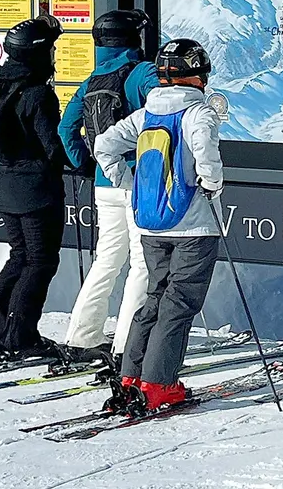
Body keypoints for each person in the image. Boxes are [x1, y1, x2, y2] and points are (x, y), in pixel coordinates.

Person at [92, 37, 225, 414]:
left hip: (151, 223)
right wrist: (212, 184)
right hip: (193, 225)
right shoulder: (198, 113)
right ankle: (159, 384)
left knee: (156, 295)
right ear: (196, 75)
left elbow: (104, 145)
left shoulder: (147, 113)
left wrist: (127, 182)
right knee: (180, 302)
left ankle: (130, 377)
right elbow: (206, 157)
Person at [55, 8, 161, 365]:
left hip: (104, 181)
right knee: (142, 263)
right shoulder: (142, 73)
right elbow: (162, 109)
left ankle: (81, 336)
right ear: (133, 39)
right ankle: (129, 344)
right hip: (138, 181)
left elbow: (66, 129)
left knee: (108, 259)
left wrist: (88, 164)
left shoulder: (92, 80)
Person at [0, 15, 70, 363]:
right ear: (38, 54)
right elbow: (52, 147)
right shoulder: (38, 94)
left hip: (3, 185)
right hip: (35, 191)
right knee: (40, 261)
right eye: (51, 49)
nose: (54, 56)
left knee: (19, 257)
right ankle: (21, 337)